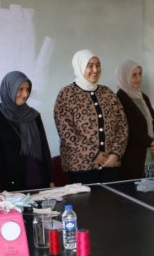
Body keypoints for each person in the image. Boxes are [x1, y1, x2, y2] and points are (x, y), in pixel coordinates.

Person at [54, 50, 128, 184]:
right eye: (90, 65)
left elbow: (122, 126)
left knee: (111, 198)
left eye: (98, 65)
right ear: (80, 66)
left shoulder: (107, 93)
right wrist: (93, 154)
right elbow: (66, 132)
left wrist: (115, 154)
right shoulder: (66, 94)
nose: (95, 70)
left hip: (110, 165)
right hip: (80, 168)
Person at [0, 71, 52, 191]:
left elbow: (44, 150)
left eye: (27, 89)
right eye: (20, 89)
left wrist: (50, 179)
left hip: (39, 182)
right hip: (10, 187)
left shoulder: (34, 116)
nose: (25, 94)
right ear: (9, 89)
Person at [116, 60, 154, 179]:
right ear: (125, 76)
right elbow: (130, 127)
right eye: (134, 75)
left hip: (151, 153)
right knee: (138, 189)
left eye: (140, 74)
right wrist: (152, 142)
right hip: (134, 157)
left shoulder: (142, 96)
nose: (138, 78)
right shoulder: (120, 98)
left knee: (152, 188)